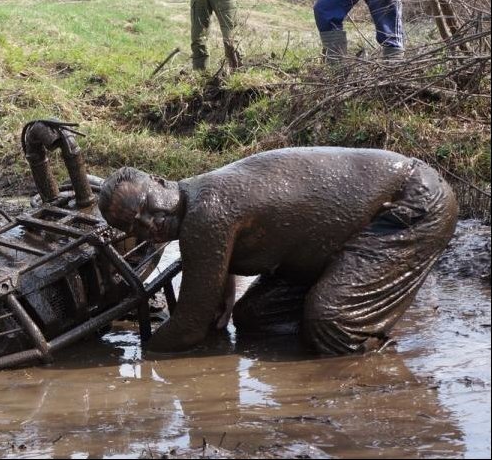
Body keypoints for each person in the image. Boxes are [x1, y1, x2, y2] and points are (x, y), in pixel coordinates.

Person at [98, 147, 457, 355]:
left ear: (159, 182)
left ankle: (364, 366)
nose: (148, 223)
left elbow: (190, 328)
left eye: (146, 206)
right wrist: (222, 285)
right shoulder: (200, 204)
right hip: (339, 236)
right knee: (255, 317)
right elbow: (226, 250)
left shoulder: (204, 212)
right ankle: (359, 312)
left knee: (330, 321)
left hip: (412, 200)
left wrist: (139, 357)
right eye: (133, 226)